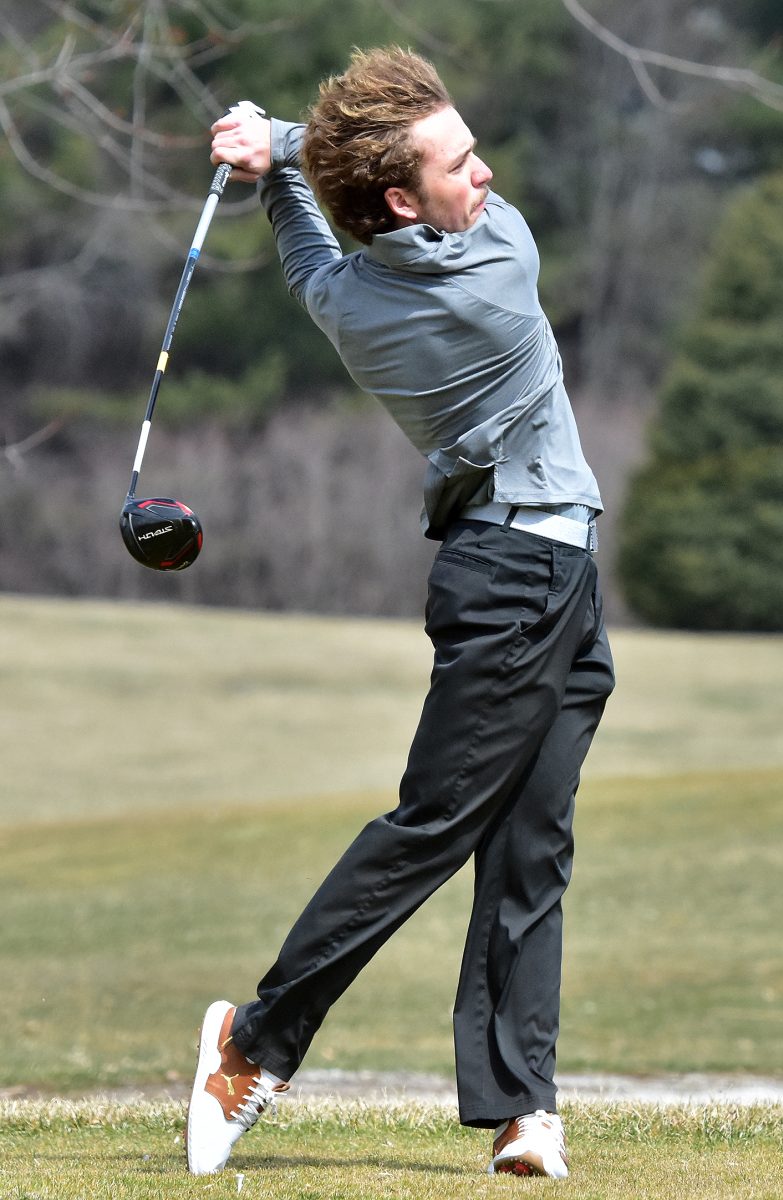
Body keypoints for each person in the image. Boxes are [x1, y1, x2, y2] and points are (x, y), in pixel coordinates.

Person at [187, 45, 615, 1180]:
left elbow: (304, 240)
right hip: (518, 574)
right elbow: (329, 199)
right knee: (432, 827)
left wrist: (276, 154)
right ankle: (254, 1041)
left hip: (543, 578)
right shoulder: (500, 265)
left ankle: (522, 1108)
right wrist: (278, 140)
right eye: (459, 162)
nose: (483, 175)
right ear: (398, 198)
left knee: (531, 845)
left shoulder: (346, 301)